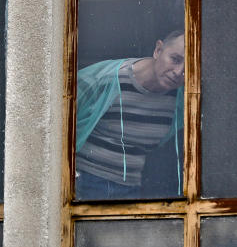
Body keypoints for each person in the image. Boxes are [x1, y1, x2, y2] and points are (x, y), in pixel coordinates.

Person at [75, 30, 185, 200]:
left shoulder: (182, 99)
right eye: (175, 59)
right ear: (158, 50)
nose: (179, 72)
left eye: (189, 66)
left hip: (132, 188)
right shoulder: (110, 79)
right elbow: (58, 113)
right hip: (85, 181)